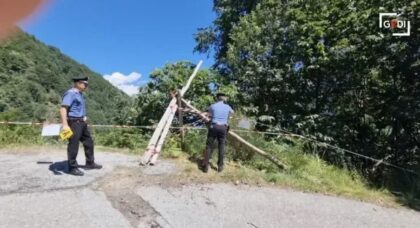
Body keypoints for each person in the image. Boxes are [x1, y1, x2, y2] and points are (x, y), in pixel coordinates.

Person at [60, 75, 102, 176]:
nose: (86, 86)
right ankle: (72, 167)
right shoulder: (71, 93)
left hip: (81, 123)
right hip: (74, 123)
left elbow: (77, 109)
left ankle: (90, 163)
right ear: (78, 83)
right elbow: (63, 109)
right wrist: (65, 125)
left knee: (89, 142)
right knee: (73, 145)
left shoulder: (80, 94)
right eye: (85, 84)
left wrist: (83, 116)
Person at [202, 93, 234, 173]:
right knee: (221, 146)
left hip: (214, 126)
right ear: (224, 99)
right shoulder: (227, 107)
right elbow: (232, 113)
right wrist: (227, 116)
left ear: (217, 98)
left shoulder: (213, 106)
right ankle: (220, 166)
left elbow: (208, 114)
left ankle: (206, 166)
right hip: (223, 127)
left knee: (209, 146)